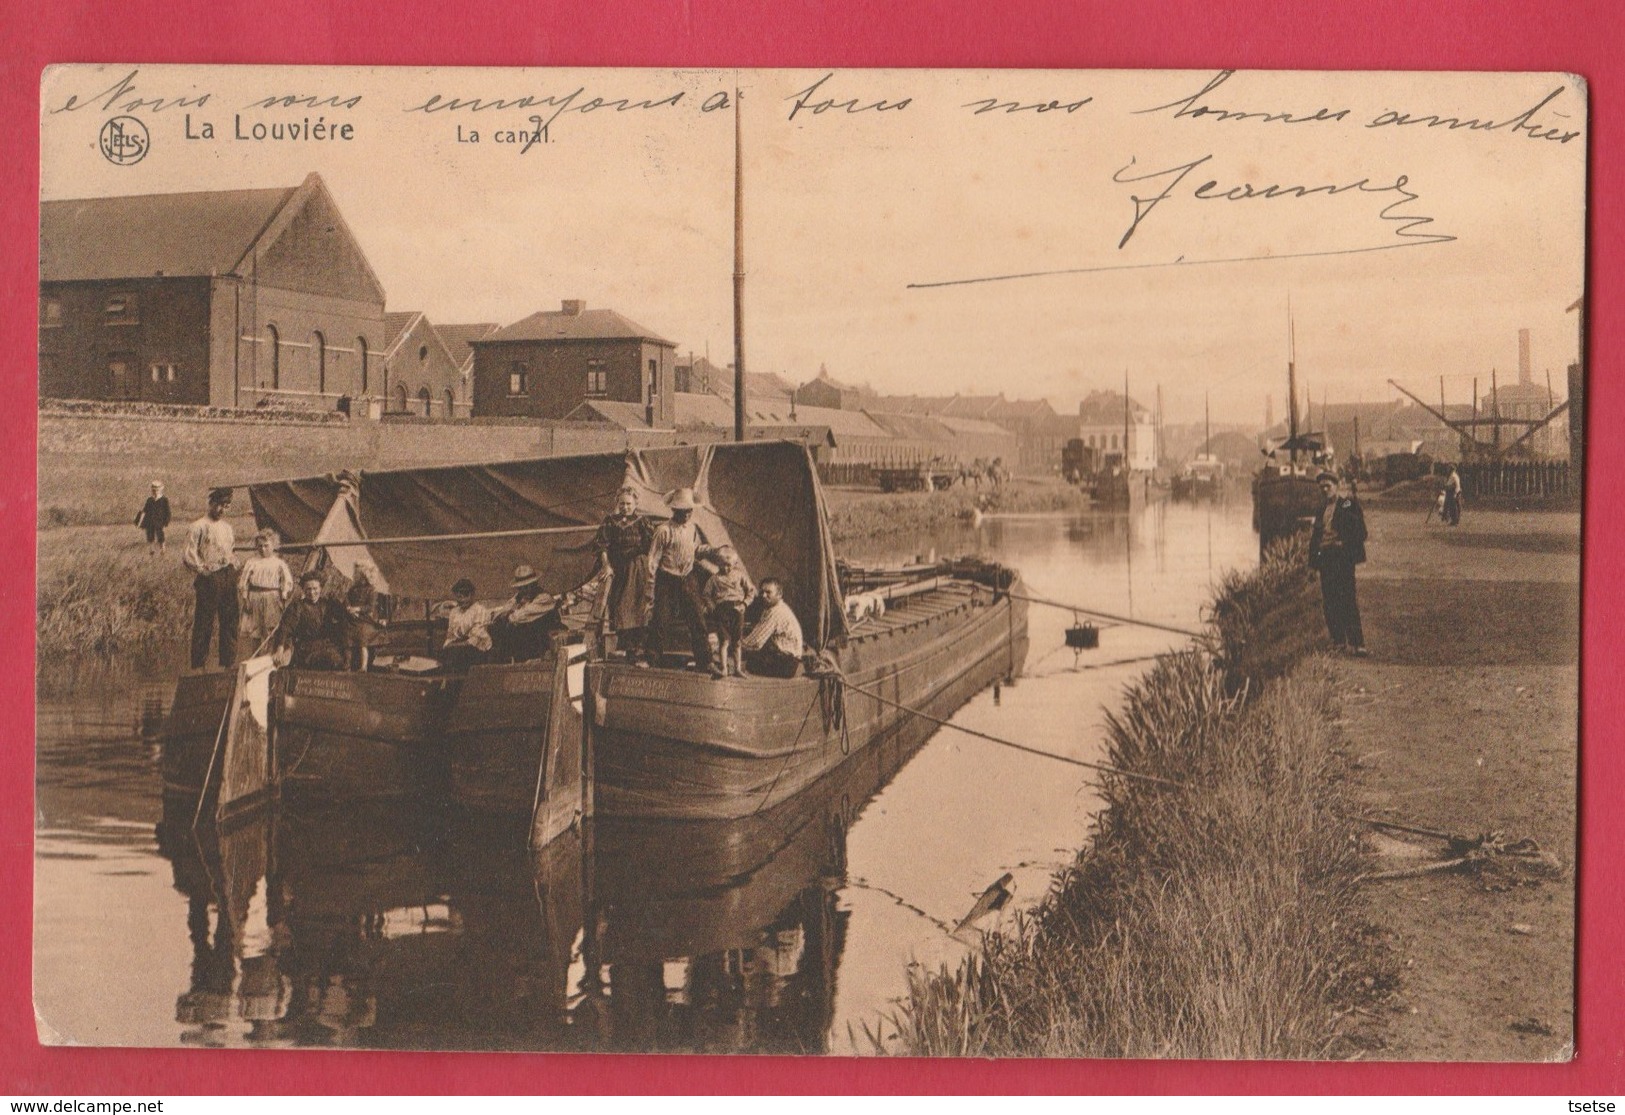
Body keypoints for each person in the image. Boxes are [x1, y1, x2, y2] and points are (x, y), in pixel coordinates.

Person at [642, 488, 715, 669]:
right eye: (683, 512)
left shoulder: (692, 529)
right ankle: (652, 659)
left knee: (697, 619)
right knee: (660, 619)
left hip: (688, 577)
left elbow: (694, 551)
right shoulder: (663, 531)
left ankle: (705, 661)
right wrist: (651, 587)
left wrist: (708, 551)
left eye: (689, 511)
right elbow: (652, 560)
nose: (687, 515)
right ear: (674, 510)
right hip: (667, 578)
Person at [1308, 470, 1369, 657]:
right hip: (1326, 559)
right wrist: (1312, 564)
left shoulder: (1346, 503)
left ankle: (1357, 643)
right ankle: (1338, 641)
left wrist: (1346, 542)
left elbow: (1360, 530)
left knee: (1348, 598)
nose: (1325, 489)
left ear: (1337, 486)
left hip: (1342, 558)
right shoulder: (1321, 509)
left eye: (1329, 486)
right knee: (1330, 601)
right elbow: (1315, 539)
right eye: (1322, 487)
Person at [593, 485, 655, 659]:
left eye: (628, 504)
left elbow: (652, 546)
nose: (625, 507)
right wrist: (606, 565)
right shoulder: (610, 521)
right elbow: (602, 546)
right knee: (621, 606)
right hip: (619, 568)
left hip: (639, 567)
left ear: (635, 503)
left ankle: (640, 647)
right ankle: (626, 646)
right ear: (617, 504)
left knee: (639, 606)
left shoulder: (643, 521)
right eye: (622, 504)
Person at [183, 487, 239, 669]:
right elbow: (189, 554)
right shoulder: (198, 526)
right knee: (204, 623)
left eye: (227, 506)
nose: (222, 510)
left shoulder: (227, 528)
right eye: (220, 505)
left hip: (227, 575)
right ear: (211, 504)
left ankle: (228, 665)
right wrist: (201, 570)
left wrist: (233, 565)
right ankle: (199, 666)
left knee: (230, 621)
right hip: (209, 578)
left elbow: (230, 551)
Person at [489, 564, 567, 663]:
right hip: (528, 642)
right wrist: (505, 613)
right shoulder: (519, 597)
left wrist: (509, 614)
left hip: (544, 640)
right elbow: (502, 612)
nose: (524, 590)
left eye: (527, 586)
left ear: (535, 584)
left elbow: (519, 616)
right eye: (521, 588)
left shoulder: (544, 598)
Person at [272, 572, 348, 670]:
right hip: (306, 647)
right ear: (303, 589)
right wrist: (280, 649)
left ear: (320, 588)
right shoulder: (297, 607)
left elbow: (343, 617)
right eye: (308, 589)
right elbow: (285, 628)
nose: (312, 593)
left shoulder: (328, 604)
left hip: (327, 645)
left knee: (337, 661)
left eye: (315, 589)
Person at [237, 529, 295, 654]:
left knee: (271, 629)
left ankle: (270, 655)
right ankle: (255, 656)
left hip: (273, 598)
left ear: (273, 545)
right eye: (260, 546)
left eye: (266, 546)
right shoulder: (251, 562)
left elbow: (287, 582)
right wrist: (245, 598)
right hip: (254, 598)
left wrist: (283, 597)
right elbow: (244, 582)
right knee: (254, 631)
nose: (263, 549)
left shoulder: (279, 563)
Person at [702, 545, 754, 678]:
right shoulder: (714, 579)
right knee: (724, 641)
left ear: (735, 563)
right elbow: (706, 594)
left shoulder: (740, 576)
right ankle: (724, 668)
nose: (726, 568)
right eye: (723, 565)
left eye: (729, 565)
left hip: (737, 611)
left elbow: (751, 591)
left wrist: (745, 603)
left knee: (737, 642)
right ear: (718, 563)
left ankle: (737, 668)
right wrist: (710, 605)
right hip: (722, 611)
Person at [740, 577, 805, 678]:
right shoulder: (772, 608)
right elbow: (758, 630)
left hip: (787, 663)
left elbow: (756, 642)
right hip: (784, 656)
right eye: (762, 592)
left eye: (768, 592)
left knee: (744, 662)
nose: (763, 595)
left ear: (779, 594)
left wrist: (733, 646)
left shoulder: (776, 612)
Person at [435, 578, 492, 674]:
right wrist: (447, 645)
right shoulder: (454, 612)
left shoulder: (480, 610)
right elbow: (450, 635)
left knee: (457, 655)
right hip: (458, 646)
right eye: (459, 596)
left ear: (472, 594)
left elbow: (476, 639)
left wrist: (455, 646)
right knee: (443, 655)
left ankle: (456, 683)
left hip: (476, 649)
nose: (462, 599)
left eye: (466, 595)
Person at [343, 560, 386, 670]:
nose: (354, 576)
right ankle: (347, 664)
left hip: (364, 619)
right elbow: (347, 599)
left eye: (357, 575)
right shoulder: (353, 589)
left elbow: (370, 607)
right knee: (348, 642)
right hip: (352, 619)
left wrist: (357, 609)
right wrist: (348, 608)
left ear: (364, 577)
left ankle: (363, 666)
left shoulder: (371, 591)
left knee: (362, 641)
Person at [135, 481, 171, 557]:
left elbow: (167, 511)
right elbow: (144, 511)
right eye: (154, 490)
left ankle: (162, 550)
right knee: (150, 535)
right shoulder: (150, 500)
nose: (155, 492)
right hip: (150, 520)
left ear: (161, 490)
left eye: (157, 490)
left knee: (160, 535)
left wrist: (166, 521)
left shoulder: (164, 500)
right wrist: (139, 522)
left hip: (159, 521)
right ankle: (152, 551)